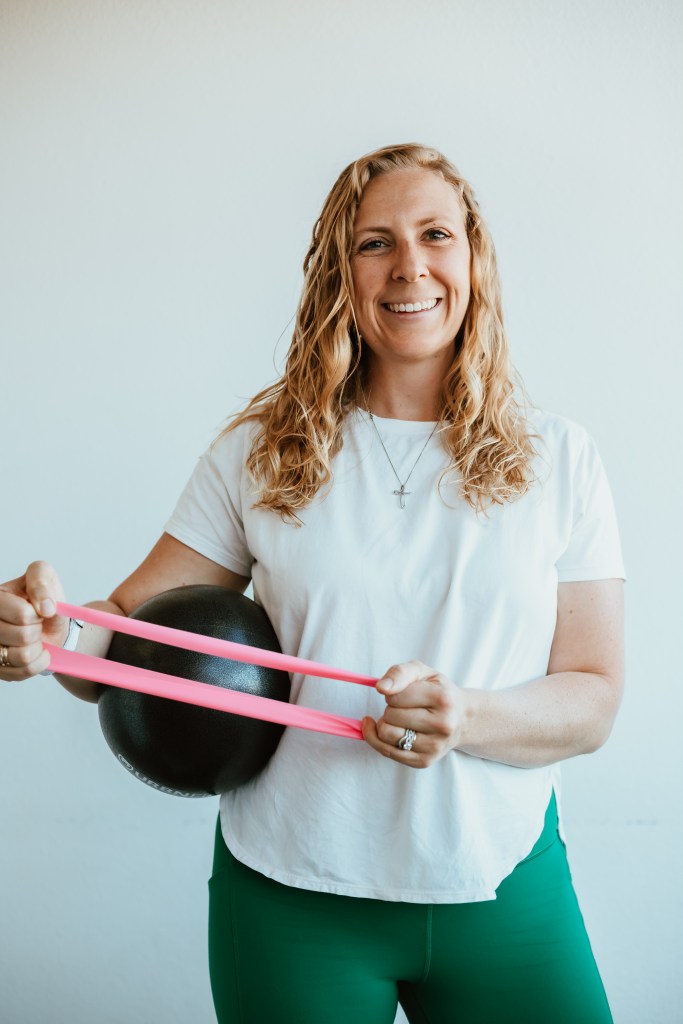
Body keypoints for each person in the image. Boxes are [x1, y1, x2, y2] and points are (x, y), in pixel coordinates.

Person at [0, 142, 625, 1024]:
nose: (409, 265)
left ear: (472, 258)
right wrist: (49, 632)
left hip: (502, 882)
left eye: (434, 234)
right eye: (375, 242)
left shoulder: (560, 458)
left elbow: (594, 699)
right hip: (292, 895)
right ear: (340, 269)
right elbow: (126, 633)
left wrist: (468, 717)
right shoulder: (260, 450)